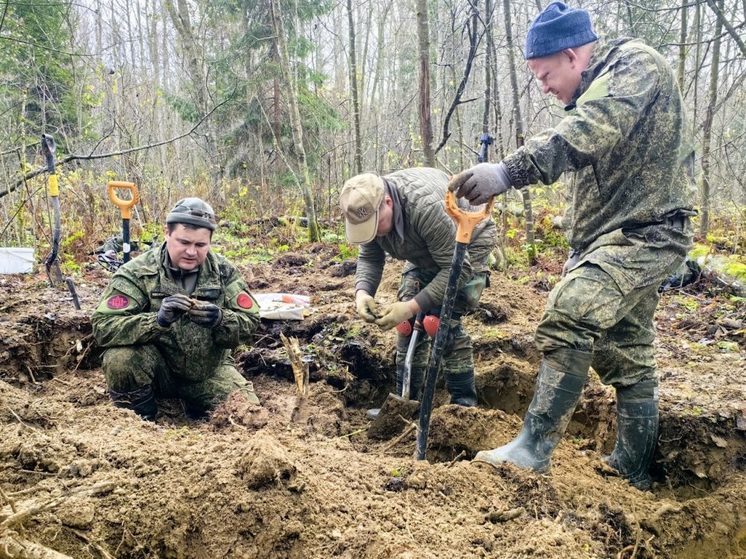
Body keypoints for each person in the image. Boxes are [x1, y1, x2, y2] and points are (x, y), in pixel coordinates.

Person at [449, 2, 695, 489]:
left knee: (570, 312)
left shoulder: (634, 66)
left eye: (544, 74)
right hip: (608, 237)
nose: (542, 86)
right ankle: (634, 467)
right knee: (627, 350)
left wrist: (507, 172)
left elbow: (587, 131)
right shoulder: (593, 86)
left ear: (571, 55)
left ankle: (533, 449)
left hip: (648, 231)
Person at [341, 168, 497, 415]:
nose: (372, 233)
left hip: (468, 243)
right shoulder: (369, 210)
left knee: (439, 322)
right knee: (406, 324)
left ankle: (463, 408)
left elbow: (456, 268)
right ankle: (405, 403)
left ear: (388, 203)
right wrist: (362, 293)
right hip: (426, 249)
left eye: (374, 225)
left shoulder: (425, 208)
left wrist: (413, 305)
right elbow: (370, 256)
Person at [92, 197, 261, 420]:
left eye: (200, 245)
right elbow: (103, 327)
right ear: (167, 233)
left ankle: (195, 406)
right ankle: (140, 420)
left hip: (209, 371)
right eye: (184, 242)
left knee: (248, 413)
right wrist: (157, 321)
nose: (192, 252)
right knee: (120, 359)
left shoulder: (223, 272)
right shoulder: (137, 272)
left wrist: (220, 319)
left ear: (210, 241)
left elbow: (251, 322)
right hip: (156, 372)